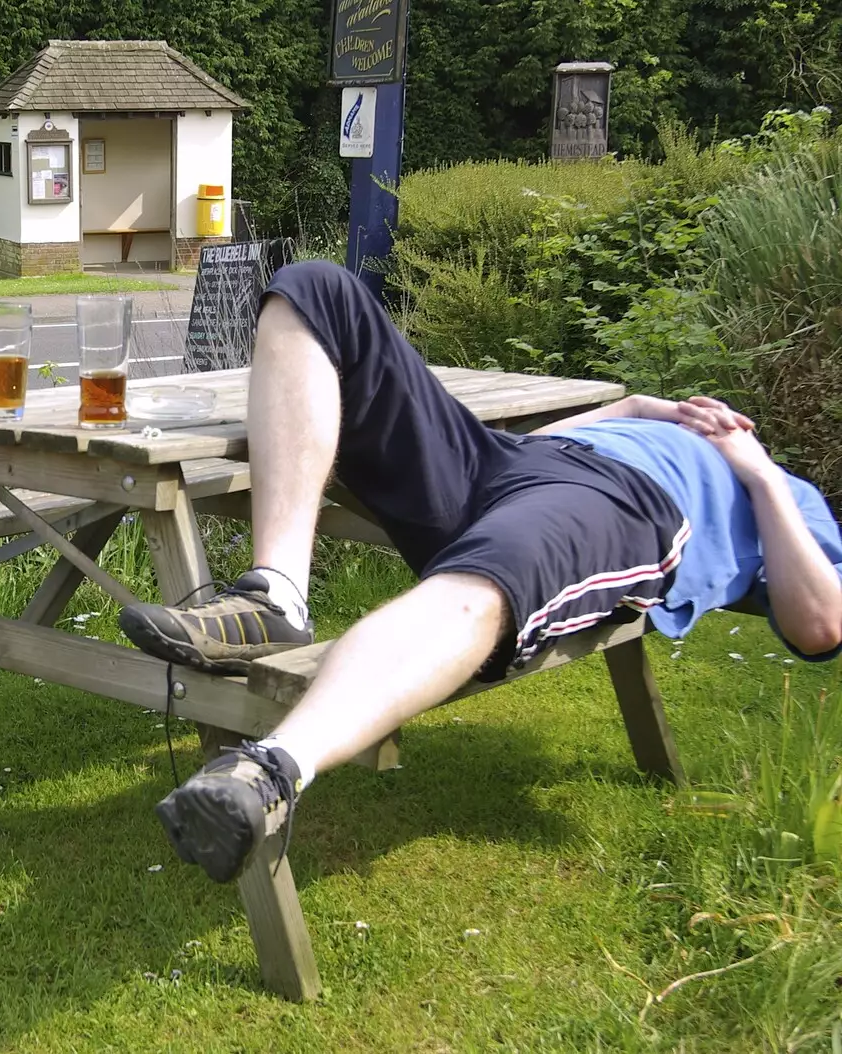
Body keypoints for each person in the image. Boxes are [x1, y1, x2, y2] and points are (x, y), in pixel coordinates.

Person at [118, 260, 842, 885]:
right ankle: (278, 591)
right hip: (507, 462)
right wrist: (627, 408)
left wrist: (756, 471)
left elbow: (821, 626)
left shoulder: (784, 497)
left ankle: (268, 772)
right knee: (314, 291)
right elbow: (546, 449)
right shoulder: (639, 421)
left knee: (488, 578)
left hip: (614, 502)